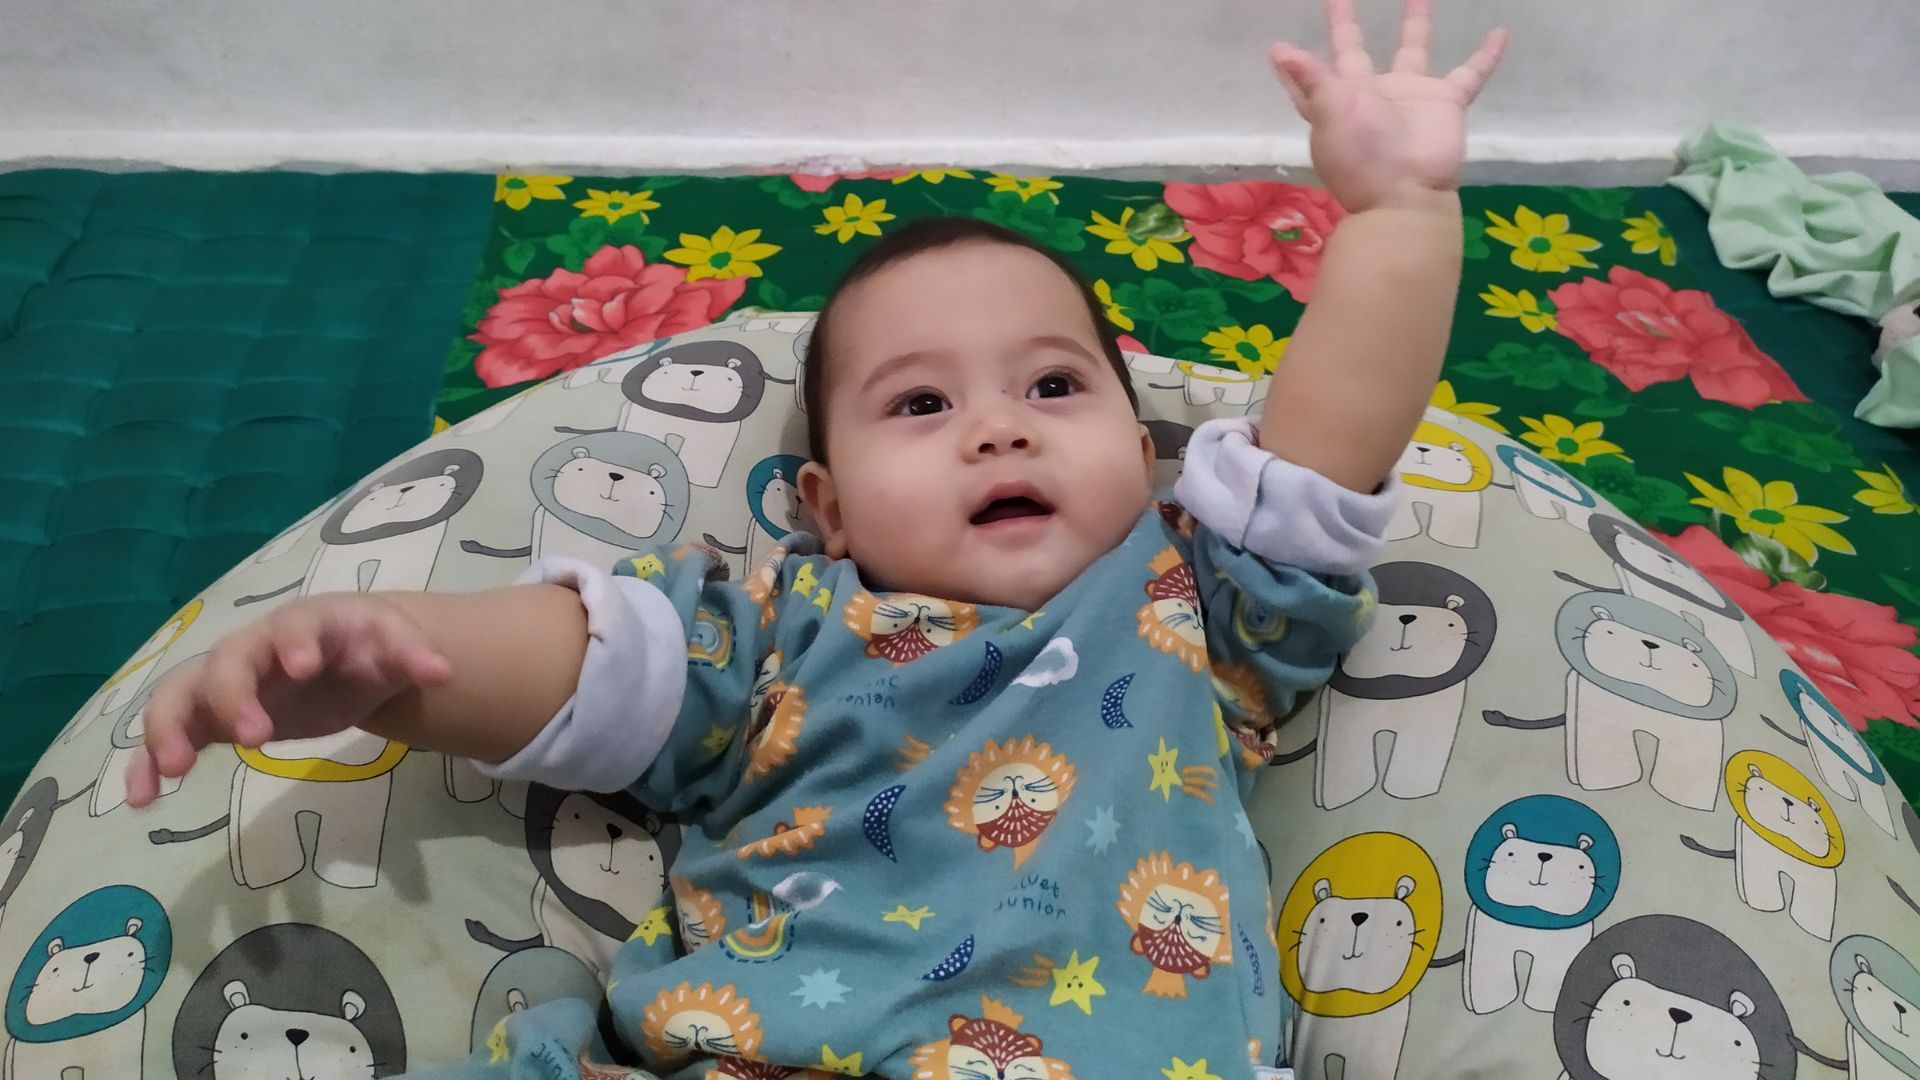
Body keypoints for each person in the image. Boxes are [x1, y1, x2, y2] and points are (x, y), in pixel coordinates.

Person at [128, 2, 1506, 1076]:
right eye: (920, 404)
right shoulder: (780, 632)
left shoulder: (1195, 601)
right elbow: (583, 662)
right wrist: (389, 659)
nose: (997, 430)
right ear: (829, 511)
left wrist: (1398, 216)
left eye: (1053, 387)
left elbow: (1329, 440)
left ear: (1149, 459)